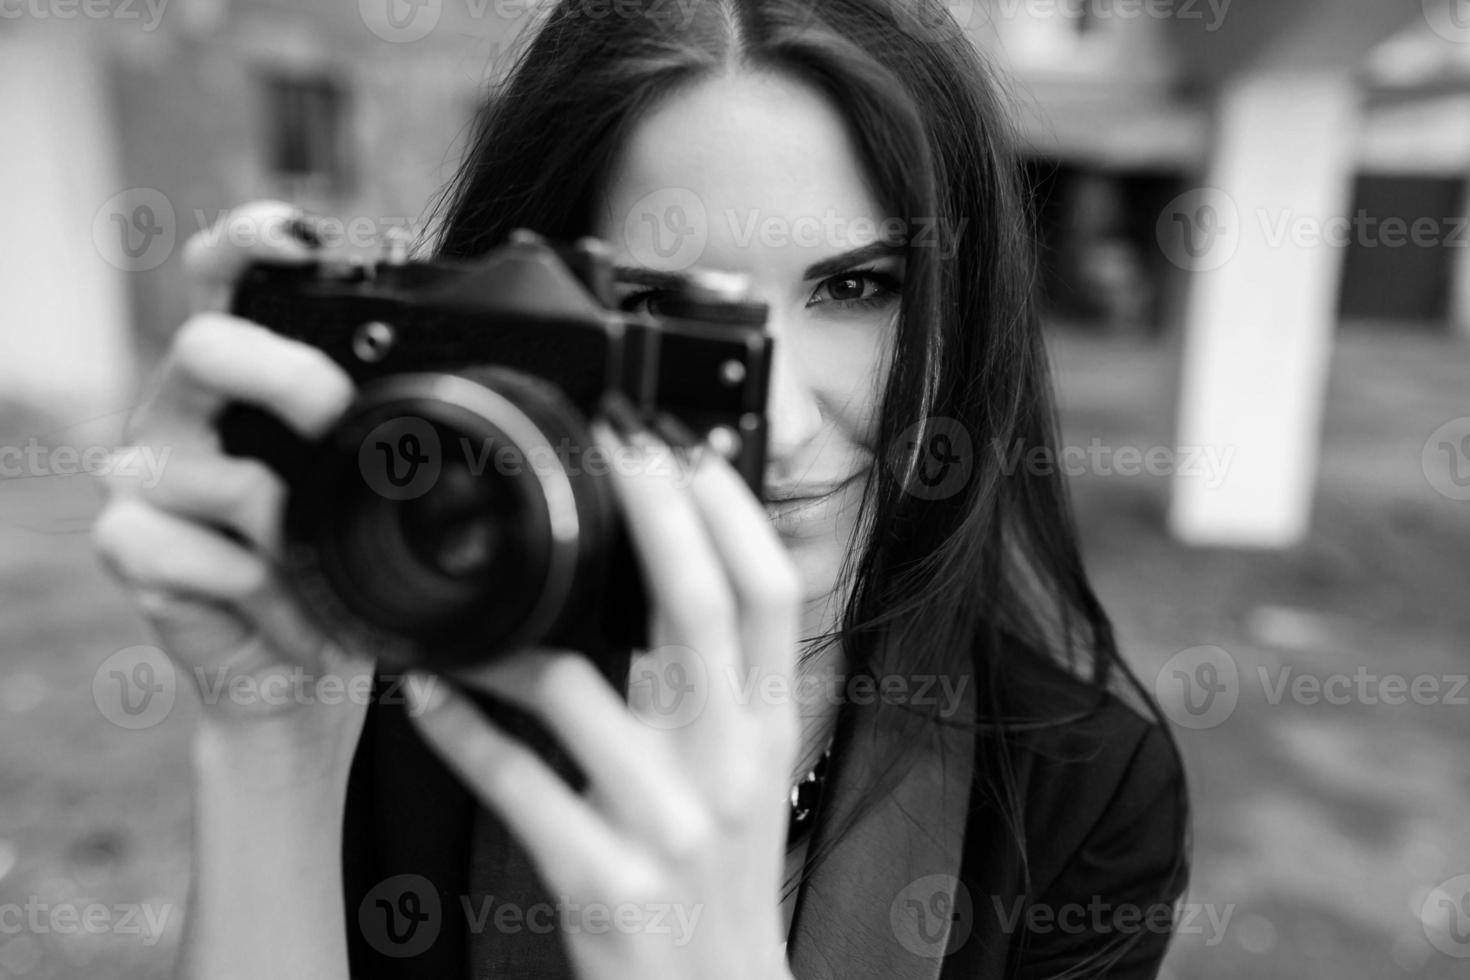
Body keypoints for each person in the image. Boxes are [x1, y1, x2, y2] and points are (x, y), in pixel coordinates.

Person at [93, 0, 1191, 977]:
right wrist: (272, 741)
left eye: (858, 286)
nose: (785, 423)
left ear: (966, 311)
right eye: (670, 314)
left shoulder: (1082, 794)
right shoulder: (393, 692)